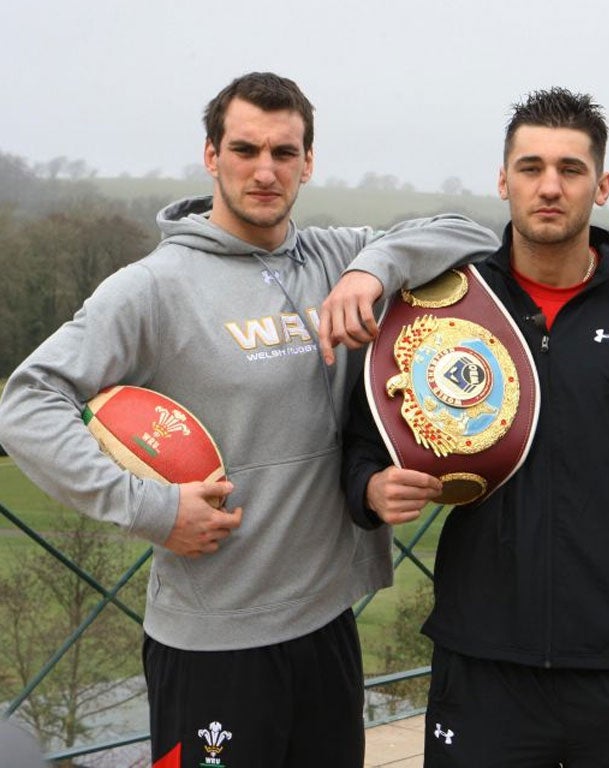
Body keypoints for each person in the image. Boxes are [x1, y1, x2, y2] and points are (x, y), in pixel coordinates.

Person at [0, 72, 498, 767]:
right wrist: (148, 507)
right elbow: (26, 402)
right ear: (211, 157)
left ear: (308, 163)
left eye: (284, 153)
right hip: (213, 643)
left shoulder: (333, 255)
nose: (265, 171)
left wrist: (372, 271)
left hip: (327, 623)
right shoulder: (154, 287)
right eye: (244, 149)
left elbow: (467, 232)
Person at [343, 87, 609, 767]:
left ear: (601, 184)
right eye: (530, 167)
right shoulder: (445, 304)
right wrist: (371, 489)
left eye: (571, 169)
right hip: (481, 662)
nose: (549, 186)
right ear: (503, 180)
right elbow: (363, 440)